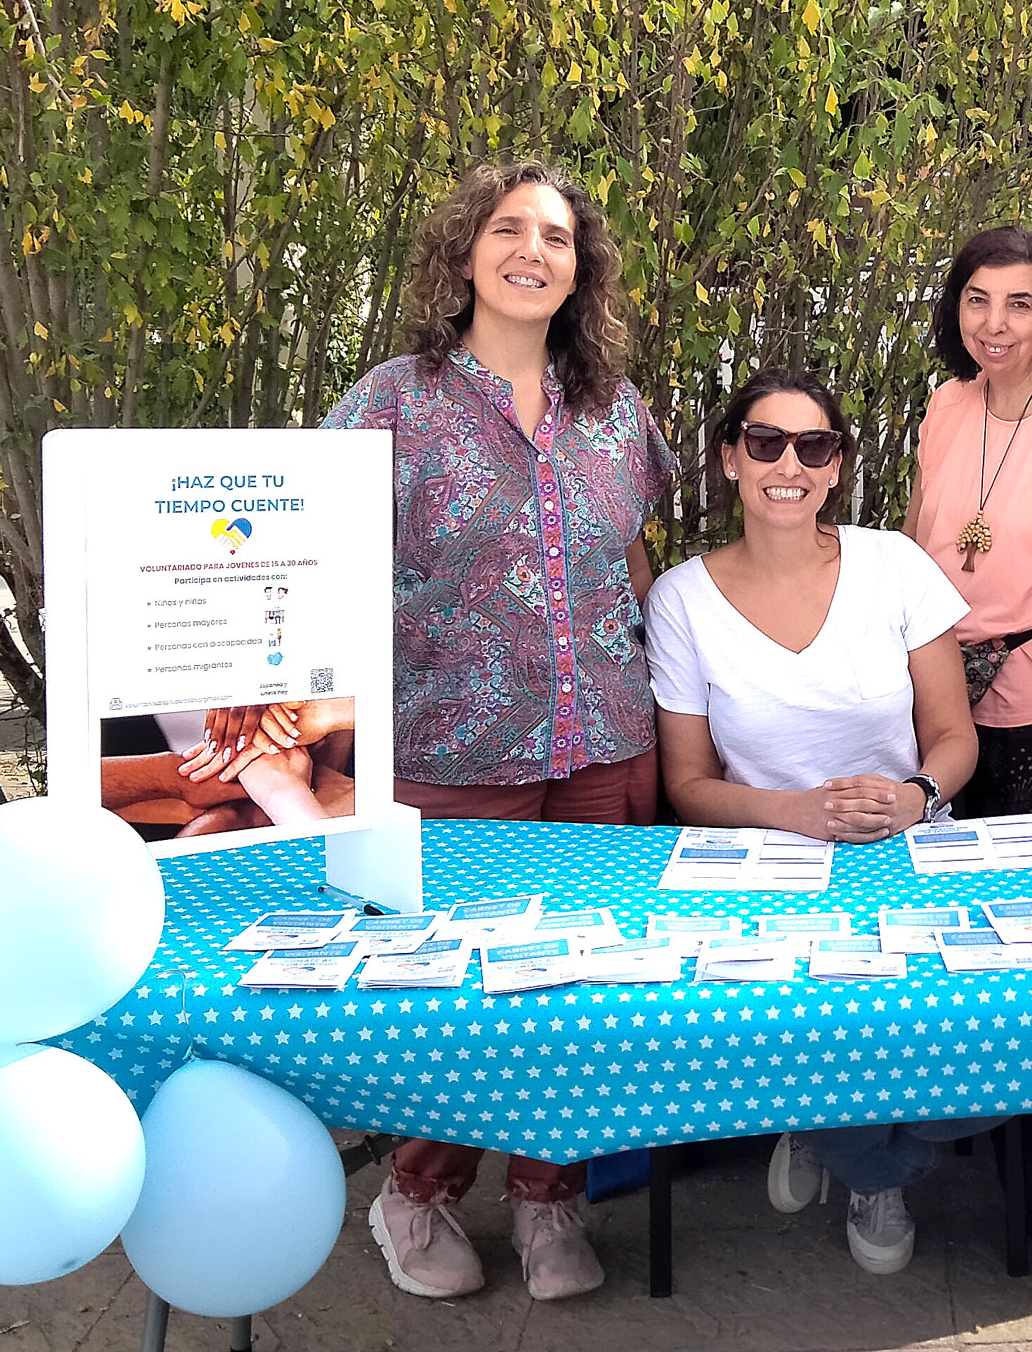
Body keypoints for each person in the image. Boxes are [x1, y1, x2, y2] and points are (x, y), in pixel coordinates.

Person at [321, 160, 677, 1303]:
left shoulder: (615, 408)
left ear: (583, 268)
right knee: (457, 996)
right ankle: (415, 1193)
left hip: (605, 746)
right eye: (510, 229)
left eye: (558, 237)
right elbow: (321, 571)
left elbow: (632, 559)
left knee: (580, 989)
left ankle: (548, 1200)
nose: (534, 251)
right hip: (451, 753)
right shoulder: (393, 402)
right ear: (467, 251)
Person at [645, 369, 996, 1274]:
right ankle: (851, 1148)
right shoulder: (681, 598)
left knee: (993, 1050)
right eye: (764, 443)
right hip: (762, 869)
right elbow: (688, 784)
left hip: (904, 851)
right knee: (781, 1019)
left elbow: (955, 736)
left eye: (814, 446)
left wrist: (918, 793)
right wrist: (795, 814)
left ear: (838, 466)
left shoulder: (895, 565)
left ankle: (828, 1130)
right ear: (730, 459)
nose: (788, 465)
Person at [904, 227, 1032, 816]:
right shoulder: (947, 403)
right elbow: (913, 546)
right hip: (940, 701)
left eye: (1018, 304)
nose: (993, 324)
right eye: (978, 299)